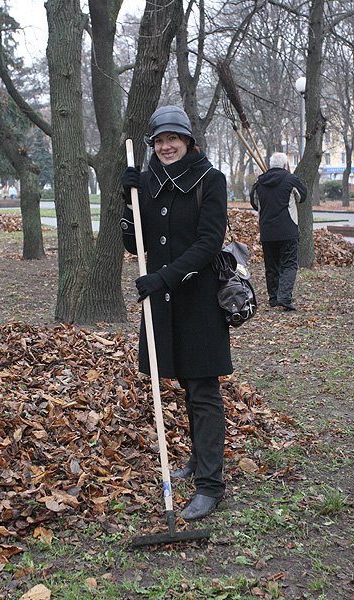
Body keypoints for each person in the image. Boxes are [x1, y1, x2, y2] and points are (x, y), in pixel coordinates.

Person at [120, 105, 233, 521]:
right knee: (186, 384)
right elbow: (135, 245)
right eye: (160, 141)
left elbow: (208, 243)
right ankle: (198, 460)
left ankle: (210, 485)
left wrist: (162, 278)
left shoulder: (210, 180)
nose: (166, 146)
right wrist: (128, 202)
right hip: (164, 302)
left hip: (198, 302)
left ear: (187, 141)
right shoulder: (147, 182)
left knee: (203, 389)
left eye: (174, 139)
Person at [249, 152, 307, 311]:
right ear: (285, 165)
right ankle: (285, 297)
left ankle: (274, 298)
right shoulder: (291, 180)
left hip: (267, 231)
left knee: (271, 266)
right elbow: (303, 196)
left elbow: (254, 203)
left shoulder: (259, 182)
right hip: (288, 230)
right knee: (289, 265)